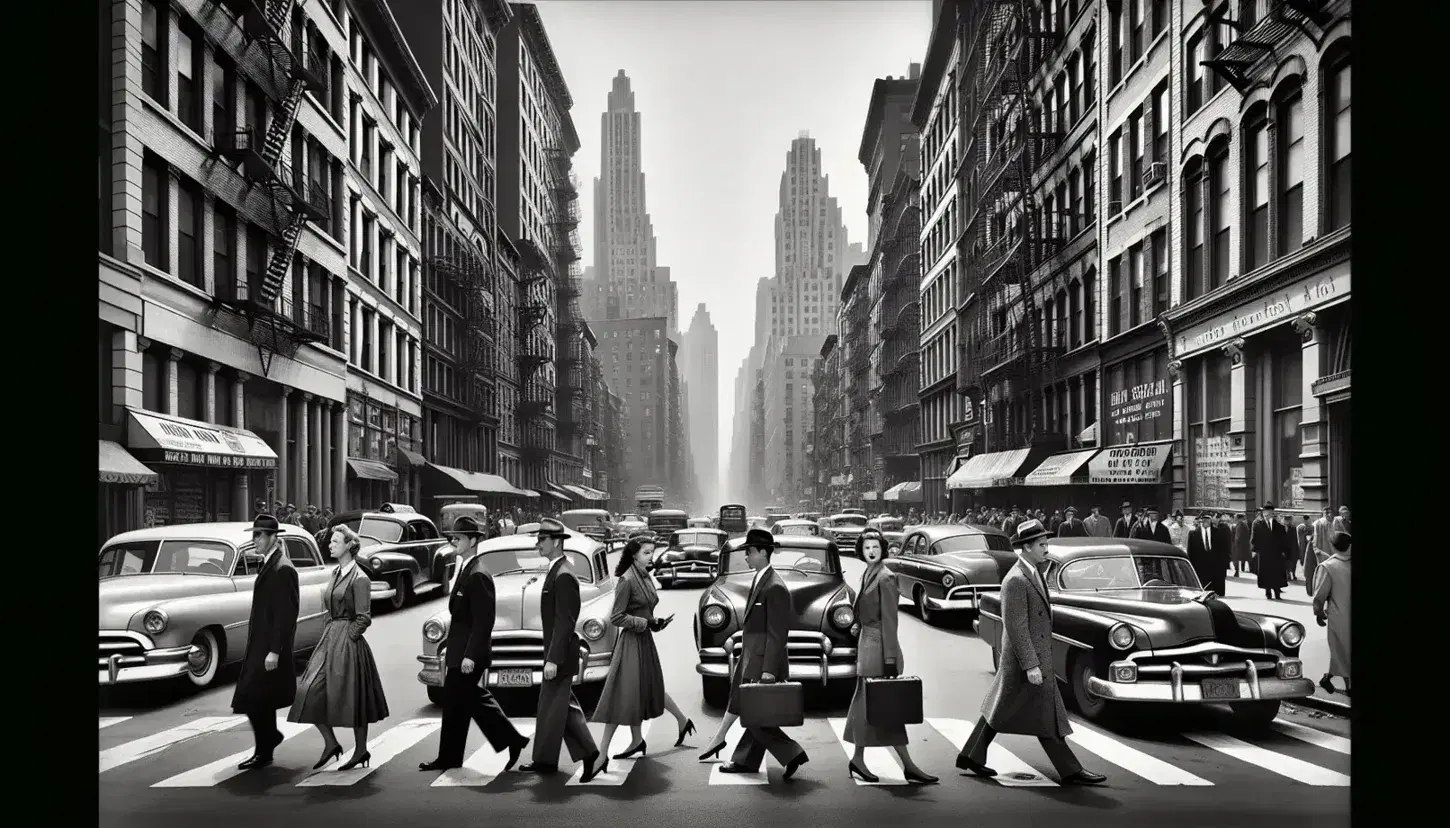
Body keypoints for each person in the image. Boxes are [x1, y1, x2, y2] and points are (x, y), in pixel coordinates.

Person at [956, 519, 1105, 785]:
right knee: (1039, 715)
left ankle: (972, 755)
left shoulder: (1034, 572)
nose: (1047, 548)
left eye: (1046, 543)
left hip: (1031, 659)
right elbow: (1015, 627)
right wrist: (1031, 665)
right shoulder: (1015, 580)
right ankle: (1071, 770)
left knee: (1002, 710)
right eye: (1042, 544)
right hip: (1025, 662)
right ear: (1026, 547)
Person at [418, 516, 530, 773]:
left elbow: (483, 621)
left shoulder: (478, 574)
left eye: (458, 537)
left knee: (469, 700)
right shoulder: (467, 567)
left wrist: (470, 655)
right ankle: (451, 757)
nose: (453, 541)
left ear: (474, 540)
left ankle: (511, 740)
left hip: (469, 654)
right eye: (452, 537)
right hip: (460, 651)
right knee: (459, 704)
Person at [288, 525, 389, 771]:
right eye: (331, 541)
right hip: (329, 639)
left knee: (354, 697)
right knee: (307, 691)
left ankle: (361, 749)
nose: (330, 545)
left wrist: (348, 637)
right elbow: (329, 608)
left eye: (335, 541)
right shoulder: (335, 573)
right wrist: (329, 633)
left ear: (349, 546)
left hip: (349, 643)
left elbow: (364, 617)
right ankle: (331, 743)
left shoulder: (360, 578)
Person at [841, 529, 937, 784]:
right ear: (860, 551)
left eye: (875, 547)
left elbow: (890, 622)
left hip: (880, 648)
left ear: (883, 549)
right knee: (877, 706)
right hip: (869, 645)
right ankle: (894, 764)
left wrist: (891, 659)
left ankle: (887, 762)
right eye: (866, 547)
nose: (871, 551)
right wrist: (858, 624)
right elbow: (865, 609)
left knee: (878, 705)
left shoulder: (886, 577)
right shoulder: (869, 573)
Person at [592, 532, 695, 761]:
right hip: (630, 644)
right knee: (623, 696)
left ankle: (671, 725)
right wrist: (646, 623)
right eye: (646, 553)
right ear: (633, 555)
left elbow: (647, 608)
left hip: (645, 641)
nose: (651, 557)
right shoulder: (627, 580)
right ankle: (603, 755)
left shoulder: (645, 575)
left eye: (652, 552)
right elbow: (617, 618)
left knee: (650, 688)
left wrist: (655, 624)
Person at [717, 528, 810, 781]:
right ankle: (745, 761)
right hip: (752, 656)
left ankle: (791, 752)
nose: (745, 556)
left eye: (749, 552)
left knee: (753, 711)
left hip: (762, 661)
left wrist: (769, 670)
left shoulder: (775, 586)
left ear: (762, 552)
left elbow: (777, 633)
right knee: (756, 711)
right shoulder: (760, 578)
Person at [518, 518, 603, 780]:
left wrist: (553, 658)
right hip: (556, 652)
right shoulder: (557, 570)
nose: (538, 544)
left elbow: (565, 622)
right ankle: (547, 760)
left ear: (556, 542)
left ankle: (589, 755)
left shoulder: (564, 575)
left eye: (542, 540)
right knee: (559, 708)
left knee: (555, 706)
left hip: (561, 654)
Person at [230, 515, 300, 770]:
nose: (255, 540)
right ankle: (267, 745)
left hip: (269, 646)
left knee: (253, 697)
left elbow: (286, 614)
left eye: (259, 535)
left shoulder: (283, 569)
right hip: (260, 643)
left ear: (274, 538)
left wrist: (275, 651)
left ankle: (266, 746)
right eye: (254, 535)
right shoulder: (270, 564)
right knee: (260, 698)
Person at [1311, 531, 1351, 696]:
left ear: (1333, 547)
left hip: (1339, 616)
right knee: (1344, 652)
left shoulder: (1328, 566)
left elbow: (1319, 595)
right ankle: (1348, 687)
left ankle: (1328, 678)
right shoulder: (1331, 565)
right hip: (1341, 616)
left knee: (1341, 651)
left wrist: (1318, 613)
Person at [1251, 502, 1291, 600]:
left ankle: (1277, 593)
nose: (1268, 514)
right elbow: (1254, 538)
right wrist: (1256, 550)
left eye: (1270, 512)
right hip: (1264, 554)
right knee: (1266, 573)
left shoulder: (1279, 526)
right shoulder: (1258, 524)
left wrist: (1284, 551)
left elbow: (1284, 540)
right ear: (1263, 513)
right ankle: (1268, 593)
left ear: (1273, 513)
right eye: (1266, 512)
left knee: (1277, 573)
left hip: (1276, 554)